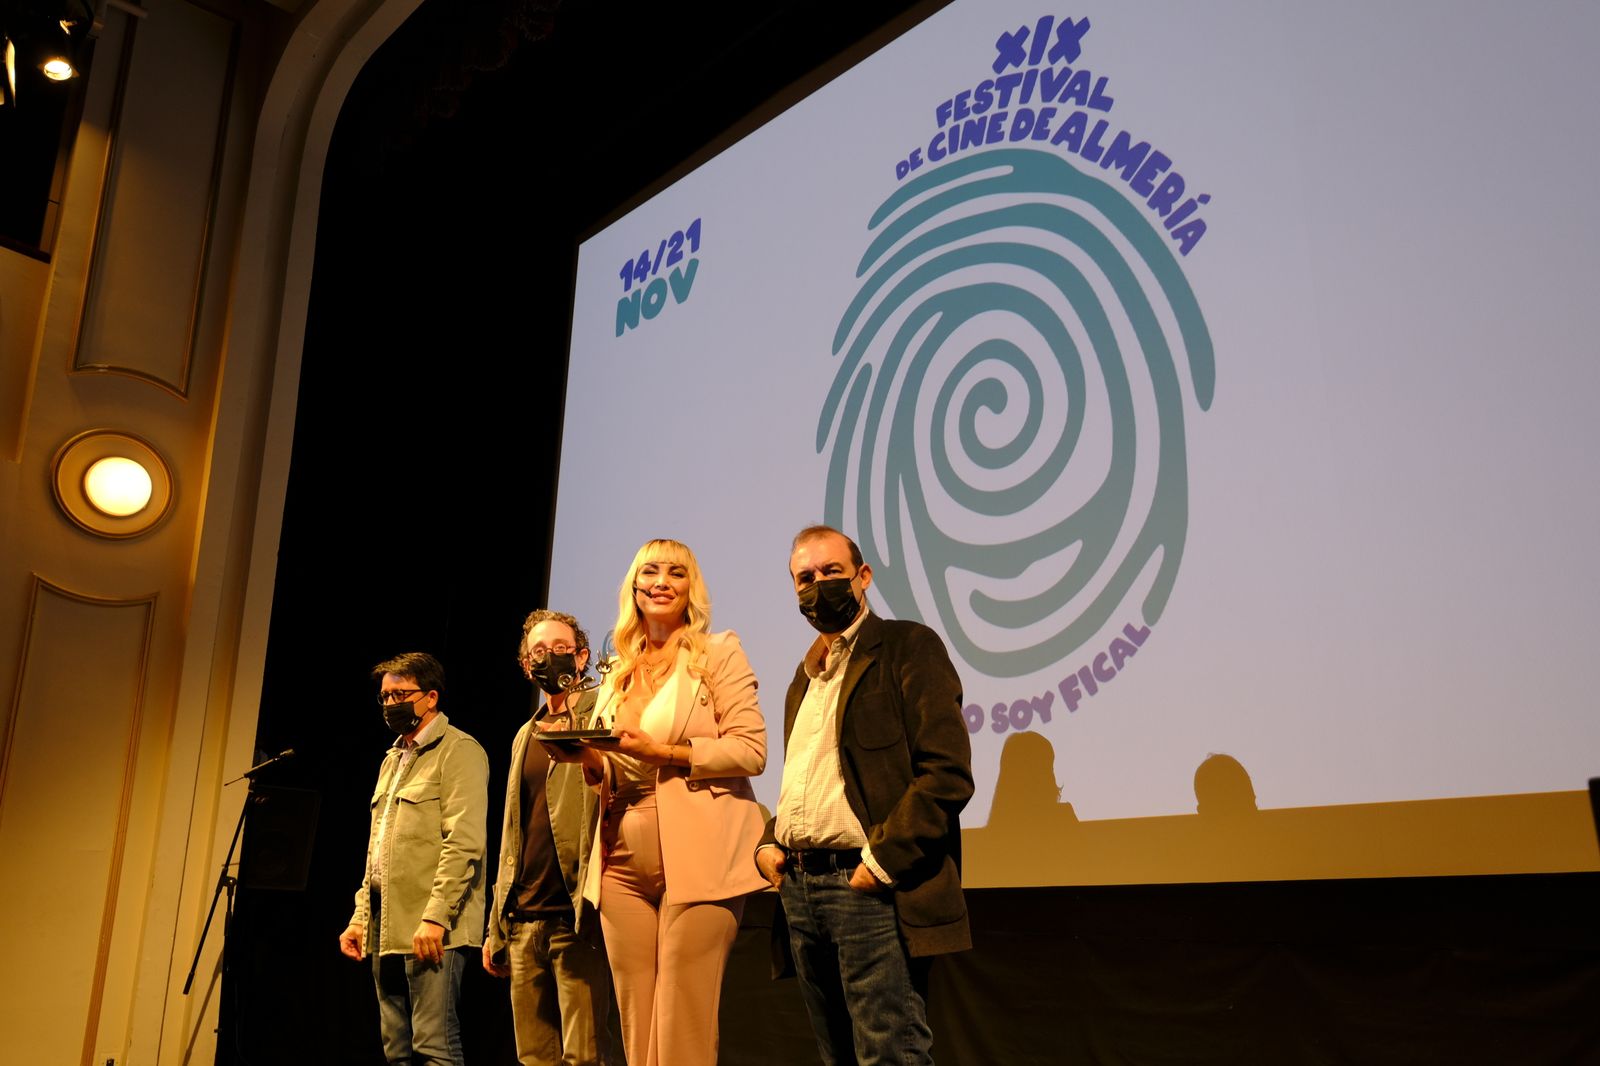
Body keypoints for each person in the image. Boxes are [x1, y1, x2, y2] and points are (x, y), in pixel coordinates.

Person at [755, 525, 974, 1065]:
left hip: (868, 888)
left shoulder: (907, 647)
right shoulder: (802, 678)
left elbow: (946, 774)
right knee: (838, 1057)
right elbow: (810, 781)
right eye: (805, 578)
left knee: (890, 1053)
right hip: (800, 889)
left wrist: (881, 862)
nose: (818, 586)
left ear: (863, 577)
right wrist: (769, 841)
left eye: (831, 572)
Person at [548, 538, 767, 1066]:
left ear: (692, 588)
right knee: (636, 1023)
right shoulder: (618, 670)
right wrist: (582, 757)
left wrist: (666, 752)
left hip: (699, 854)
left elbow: (751, 750)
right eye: (650, 571)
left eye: (676, 572)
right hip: (620, 859)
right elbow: (613, 768)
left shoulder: (718, 652)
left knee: (680, 1025)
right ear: (634, 585)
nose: (662, 582)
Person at [483, 610, 620, 1066]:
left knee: (584, 1056)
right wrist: (496, 924)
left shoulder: (603, 712)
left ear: (582, 656)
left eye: (560, 648)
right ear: (526, 665)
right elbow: (511, 833)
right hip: (523, 919)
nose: (549, 659)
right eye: (538, 652)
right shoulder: (526, 734)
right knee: (533, 1058)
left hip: (573, 918)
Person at [339, 652, 489, 1066]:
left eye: (400, 694)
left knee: (434, 1047)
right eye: (385, 697)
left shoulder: (459, 751)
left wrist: (436, 917)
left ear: (431, 697)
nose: (390, 704)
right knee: (397, 1052)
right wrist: (359, 917)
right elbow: (379, 850)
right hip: (385, 926)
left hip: (431, 928)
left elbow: (464, 842)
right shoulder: (393, 758)